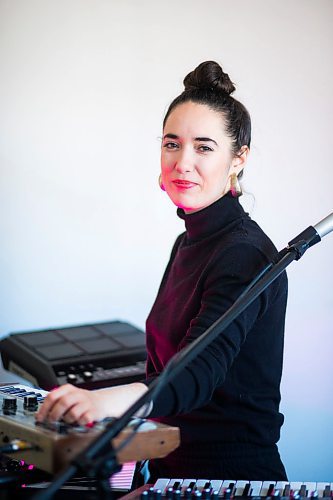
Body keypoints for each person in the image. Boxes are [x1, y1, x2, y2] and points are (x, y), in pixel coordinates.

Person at [36, 61, 288, 481]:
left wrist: (113, 401)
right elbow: (165, 368)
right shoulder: (190, 241)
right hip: (170, 467)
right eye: (172, 144)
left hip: (229, 476)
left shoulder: (245, 254)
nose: (182, 162)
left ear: (237, 159)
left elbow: (196, 372)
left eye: (204, 147)